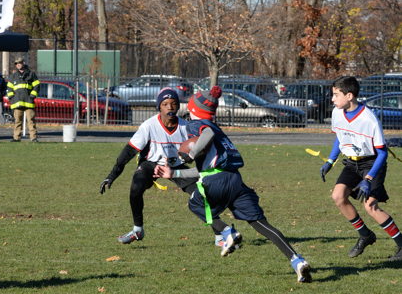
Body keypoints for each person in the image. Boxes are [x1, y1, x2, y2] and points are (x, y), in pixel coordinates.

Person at [154, 86, 312, 282]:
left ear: (194, 108)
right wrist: (174, 173)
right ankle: (297, 260)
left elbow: (206, 135)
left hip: (217, 180)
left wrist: (191, 154)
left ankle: (227, 232)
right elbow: (207, 168)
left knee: (195, 204)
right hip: (234, 179)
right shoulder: (218, 130)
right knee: (260, 223)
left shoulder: (196, 125)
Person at [100, 87, 241, 247]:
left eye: (173, 103)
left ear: (178, 106)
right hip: (151, 164)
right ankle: (137, 229)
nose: (170, 107)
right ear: (159, 107)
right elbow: (128, 152)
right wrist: (112, 176)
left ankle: (219, 235)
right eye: (165, 104)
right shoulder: (149, 126)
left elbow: (202, 148)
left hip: (176, 165)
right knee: (136, 187)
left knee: (202, 195)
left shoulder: (186, 127)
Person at [320, 75, 402, 261]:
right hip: (352, 163)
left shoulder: (369, 119)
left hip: (372, 163)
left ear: (349, 96)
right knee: (338, 196)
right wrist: (330, 161)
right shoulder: (337, 113)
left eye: (336, 95)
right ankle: (366, 235)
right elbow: (340, 137)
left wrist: (368, 179)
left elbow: (382, 153)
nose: (332, 99)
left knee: (370, 206)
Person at [6, 56, 40, 142]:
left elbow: (37, 85)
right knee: (17, 121)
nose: (18, 65)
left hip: (29, 101)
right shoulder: (13, 76)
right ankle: (16, 138)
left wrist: (32, 96)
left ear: (23, 63)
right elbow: (9, 88)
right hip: (17, 102)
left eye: (19, 63)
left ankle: (33, 138)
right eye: (16, 63)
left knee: (31, 121)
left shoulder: (31, 74)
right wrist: (12, 98)